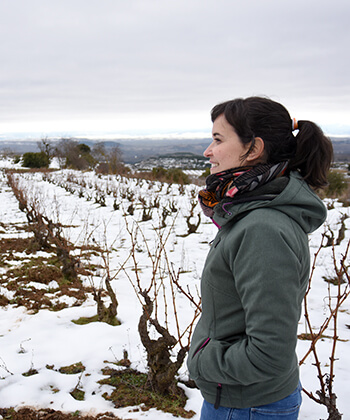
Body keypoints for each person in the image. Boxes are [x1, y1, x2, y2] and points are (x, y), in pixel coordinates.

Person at [187, 96, 333, 419]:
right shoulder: (252, 210)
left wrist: (201, 361)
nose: (207, 151)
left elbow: (269, 354)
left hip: (248, 406)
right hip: (240, 398)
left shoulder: (262, 229)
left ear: (253, 149)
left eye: (217, 140)